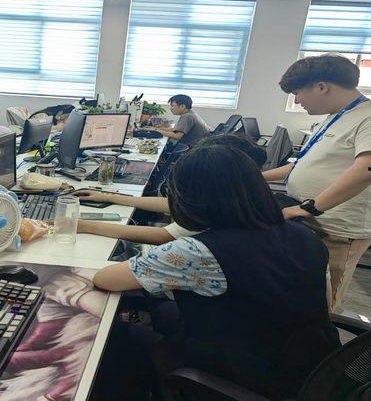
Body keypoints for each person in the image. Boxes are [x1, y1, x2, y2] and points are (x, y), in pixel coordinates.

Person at [91, 144, 340, 401]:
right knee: (165, 312)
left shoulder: (200, 250)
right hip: (311, 368)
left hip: (243, 374)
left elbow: (106, 279)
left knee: (116, 336)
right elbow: (325, 303)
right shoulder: (305, 235)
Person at [263, 54, 371, 309]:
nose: (297, 101)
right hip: (310, 220)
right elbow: (303, 164)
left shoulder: (367, 117)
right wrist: (255, 176)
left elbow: (366, 168)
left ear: (321, 87)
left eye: (297, 93)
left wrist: (309, 207)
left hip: (336, 229)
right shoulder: (337, 116)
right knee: (300, 294)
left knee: (321, 302)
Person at [74, 134, 267, 245]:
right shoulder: (246, 201)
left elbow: (162, 235)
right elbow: (169, 204)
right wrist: (110, 197)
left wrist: (83, 225)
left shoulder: (212, 215)